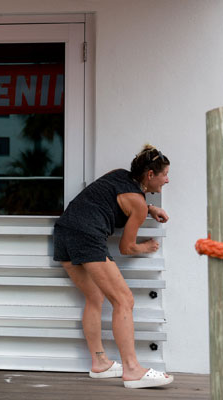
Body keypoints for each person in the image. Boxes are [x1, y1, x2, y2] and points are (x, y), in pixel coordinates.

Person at [53, 144, 173, 389]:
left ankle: (100, 363)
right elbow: (126, 248)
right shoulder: (138, 203)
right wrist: (147, 247)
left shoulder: (118, 174)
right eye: (164, 175)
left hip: (64, 232)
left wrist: (149, 208)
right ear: (150, 175)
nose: (167, 180)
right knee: (124, 300)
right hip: (87, 236)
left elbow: (117, 196)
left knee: (95, 297)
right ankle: (132, 370)